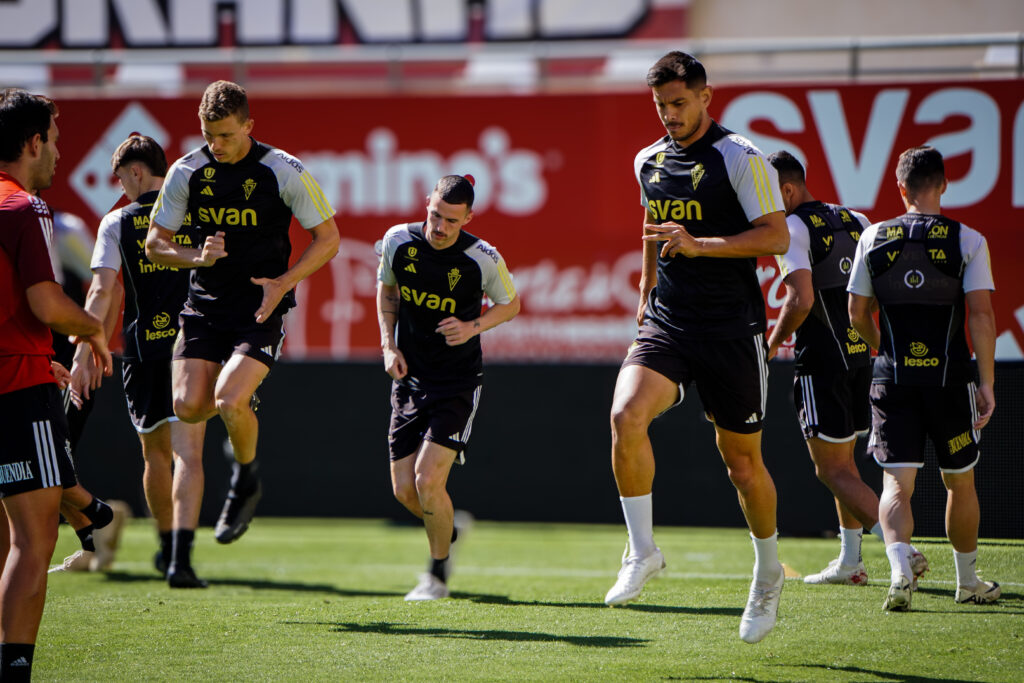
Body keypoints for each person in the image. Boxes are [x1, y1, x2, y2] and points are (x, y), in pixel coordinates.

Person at [605, 51, 789, 644]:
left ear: (707, 96)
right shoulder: (648, 160)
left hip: (731, 329)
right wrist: (644, 292)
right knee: (625, 416)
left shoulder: (741, 157)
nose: (669, 116)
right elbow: (653, 232)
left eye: (679, 103)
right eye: (660, 105)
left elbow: (775, 235)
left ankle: (766, 573)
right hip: (668, 321)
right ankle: (642, 551)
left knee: (742, 466)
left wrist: (700, 244)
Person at [145, 81, 339, 544]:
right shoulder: (186, 171)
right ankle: (240, 412)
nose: (217, 145)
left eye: (227, 135)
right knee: (188, 407)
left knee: (227, 399)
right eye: (209, 134)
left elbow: (329, 239)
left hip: (259, 308)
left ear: (249, 126)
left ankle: (245, 478)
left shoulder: (282, 169)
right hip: (203, 307)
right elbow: (155, 244)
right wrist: (197, 257)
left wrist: (283, 283)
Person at [765, 150, 928, 587]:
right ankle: (851, 562)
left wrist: (772, 343)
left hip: (821, 362)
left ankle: (900, 549)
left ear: (787, 189)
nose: (763, 209)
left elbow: (800, 300)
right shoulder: (857, 218)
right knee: (847, 464)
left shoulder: (792, 227)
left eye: (767, 195)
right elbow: (871, 294)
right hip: (862, 360)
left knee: (831, 469)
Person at [848, 145, 999, 612]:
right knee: (961, 483)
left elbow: (857, 314)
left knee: (896, 485)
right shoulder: (969, 240)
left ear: (900, 188)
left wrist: (886, 350)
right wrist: (987, 383)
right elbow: (981, 315)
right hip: (951, 381)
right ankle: (968, 581)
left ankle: (898, 570)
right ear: (944, 184)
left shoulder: (872, 237)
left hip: (892, 379)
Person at [0, 88, 112, 682]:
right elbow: (46, 302)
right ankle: (16, 668)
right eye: (56, 140)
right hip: (15, 389)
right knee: (31, 538)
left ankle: (84, 504)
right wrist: (93, 331)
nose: (60, 154)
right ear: (33, 141)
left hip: (20, 366)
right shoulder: (26, 209)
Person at [71, 135, 209, 587]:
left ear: (135, 171)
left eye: (121, 178)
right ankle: (181, 558)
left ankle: (168, 544)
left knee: (156, 453)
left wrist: (87, 346)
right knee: (190, 454)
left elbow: (101, 291)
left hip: (144, 349)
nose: (121, 188)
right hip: (192, 348)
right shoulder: (193, 213)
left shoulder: (116, 222)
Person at [377, 175, 519, 601]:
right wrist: (387, 345)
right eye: (435, 215)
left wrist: (472, 326)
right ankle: (452, 529)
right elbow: (388, 291)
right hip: (409, 378)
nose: (439, 228)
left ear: (468, 219)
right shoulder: (398, 241)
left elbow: (511, 304)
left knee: (426, 480)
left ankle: (436, 576)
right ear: (427, 203)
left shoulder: (482, 258)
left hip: (457, 383)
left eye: (450, 221)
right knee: (405, 491)